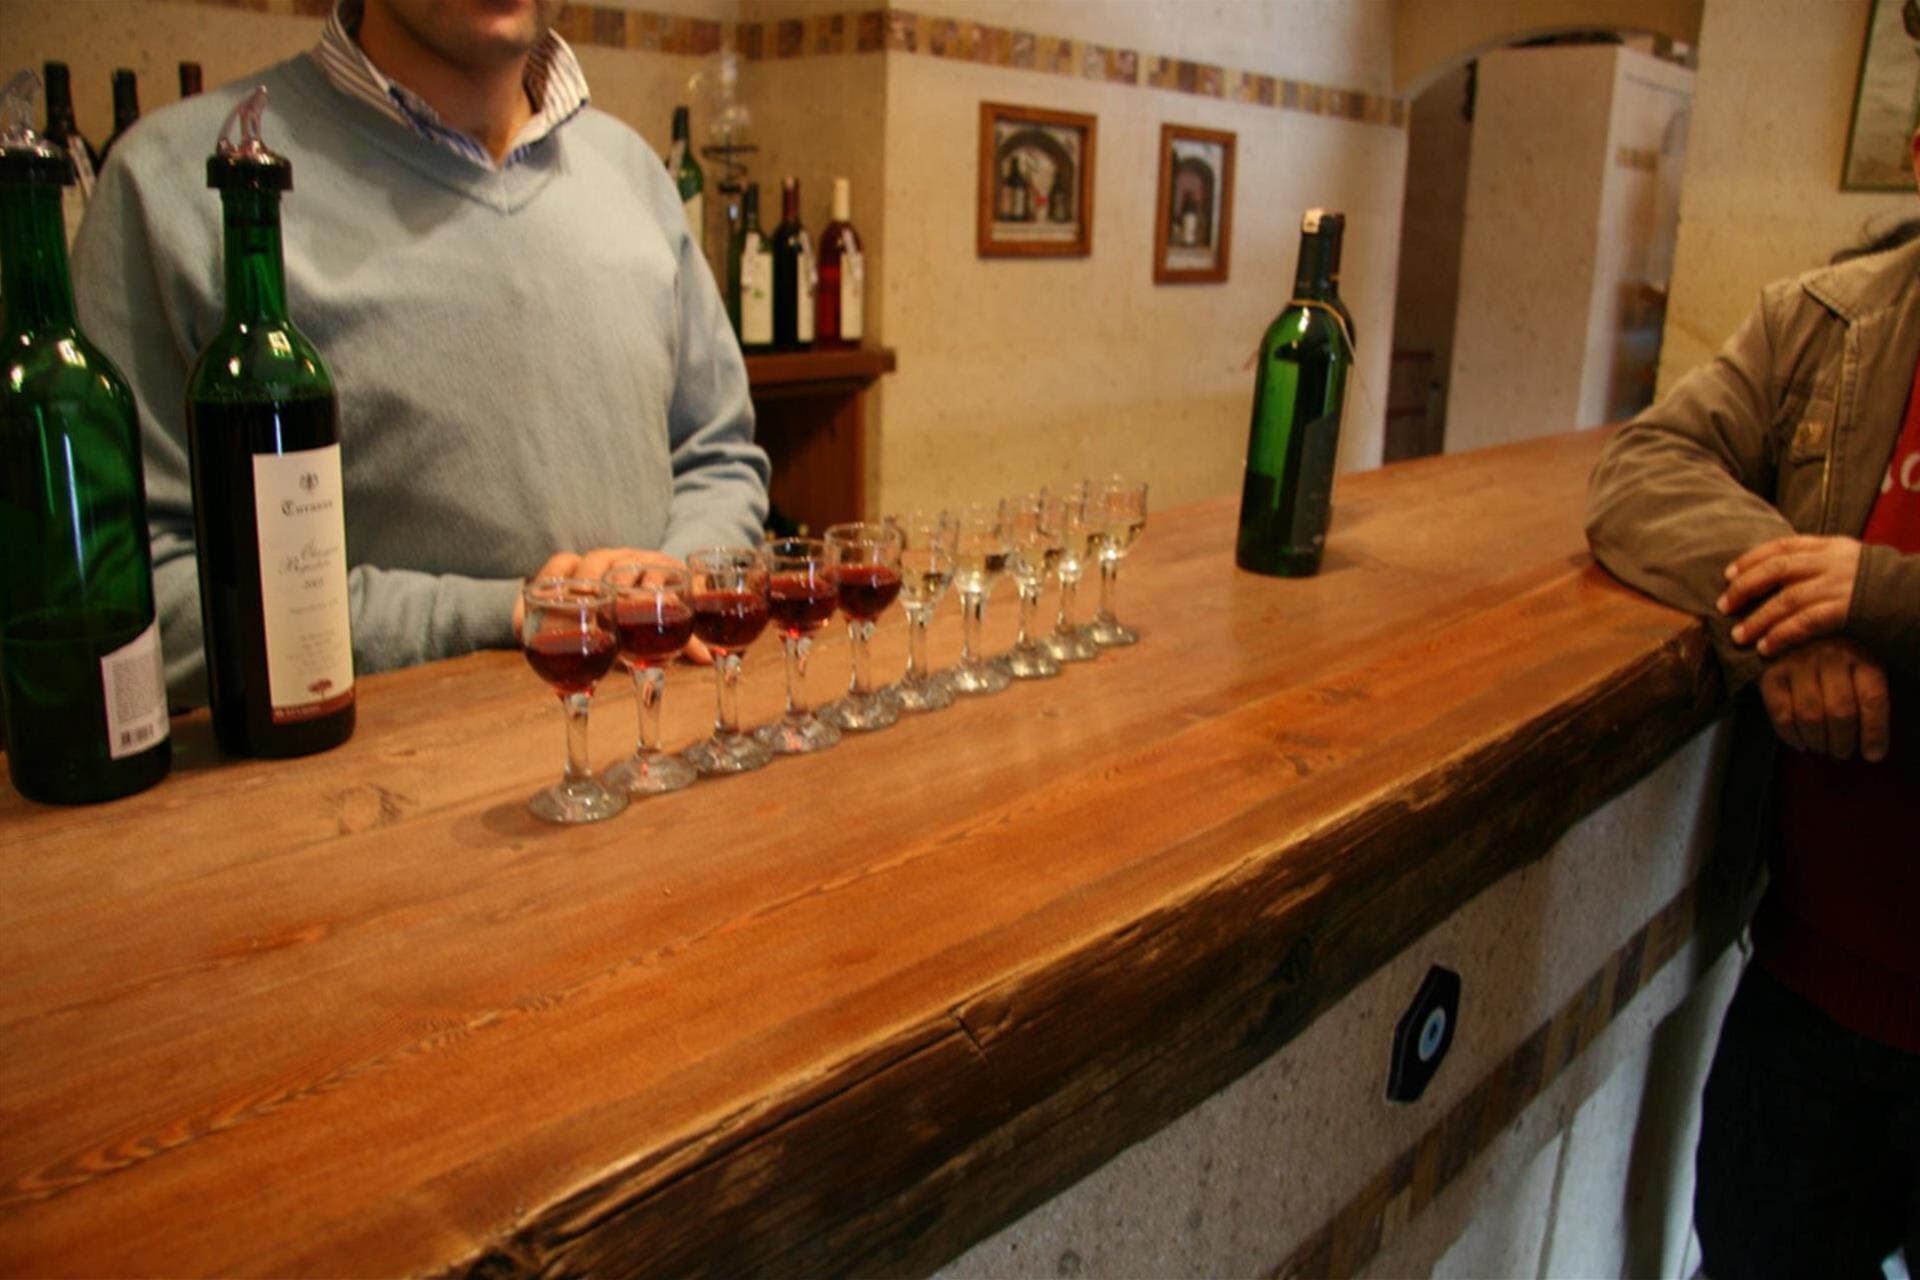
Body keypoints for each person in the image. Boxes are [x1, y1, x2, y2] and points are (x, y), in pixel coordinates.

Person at [73, 0, 769, 706]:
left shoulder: (632, 171)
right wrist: (502, 614)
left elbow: (717, 455)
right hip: (374, 765)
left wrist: (668, 580)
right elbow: (126, 595)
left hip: (664, 735)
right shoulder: (175, 186)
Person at [1586, 147, 1920, 1280]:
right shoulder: (1831, 322)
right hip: (1808, 985)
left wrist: (1878, 594)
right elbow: (1642, 471)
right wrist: (1790, 617)